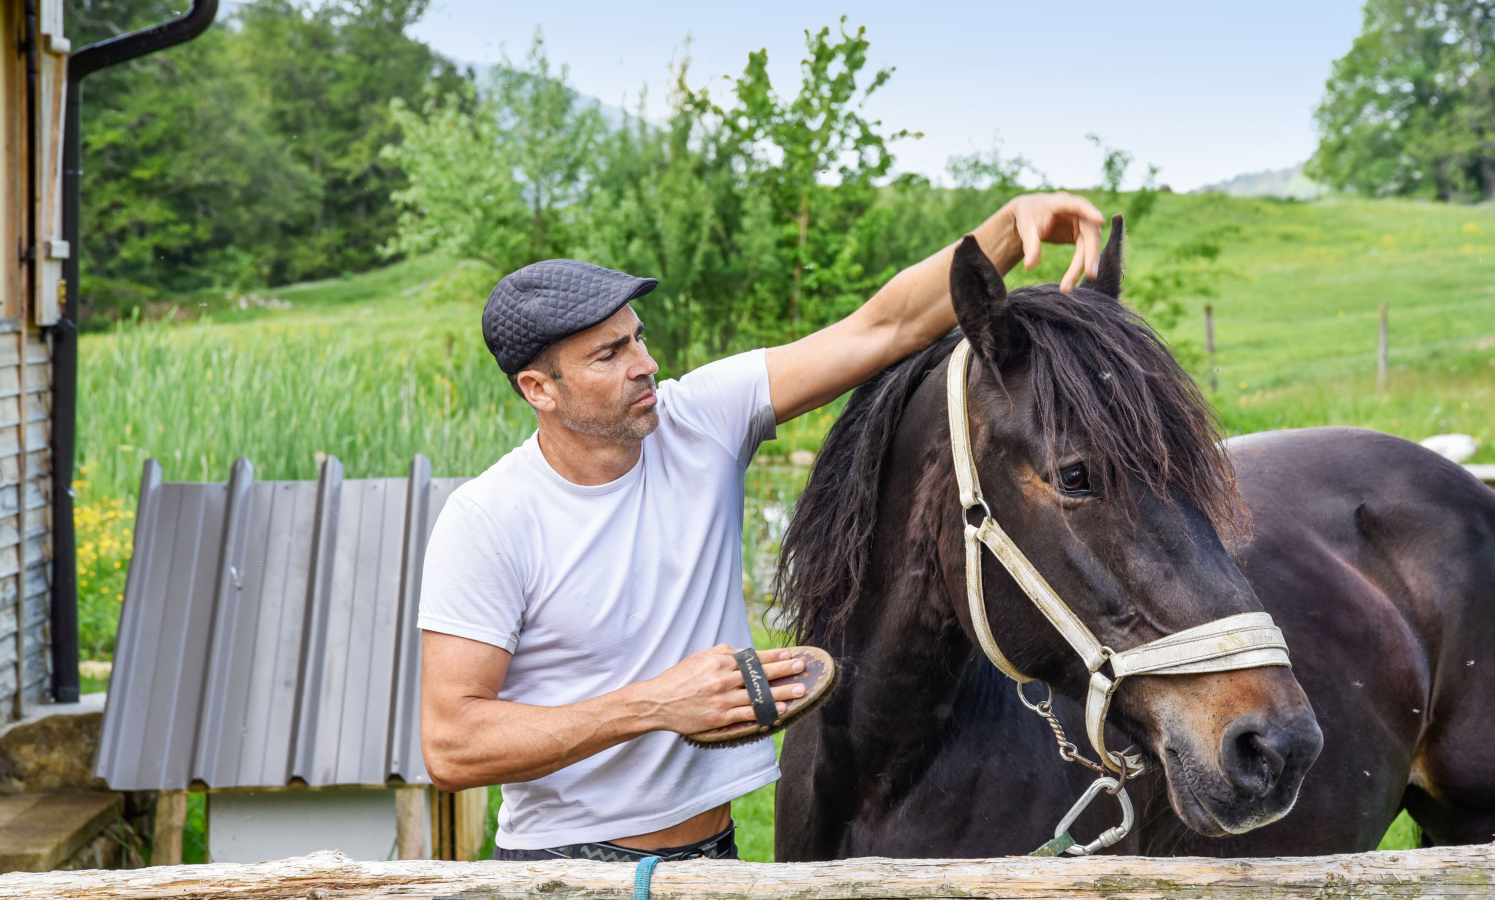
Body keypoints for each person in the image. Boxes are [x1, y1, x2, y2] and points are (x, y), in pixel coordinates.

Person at [417, 192, 1107, 861]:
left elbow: (882, 328)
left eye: (638, 337)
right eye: (608, 355)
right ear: (540, 390)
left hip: (713, 860)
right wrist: (657, 704)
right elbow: (450, 743)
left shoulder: (699, 420)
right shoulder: (488, 521)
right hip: (560, 869)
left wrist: (1009, 230)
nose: (645, 364)